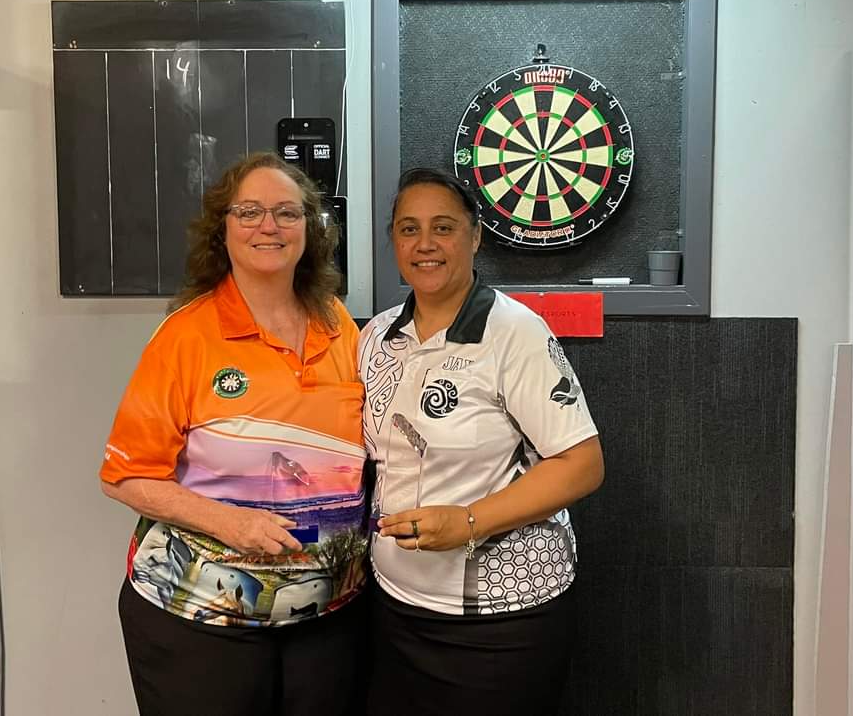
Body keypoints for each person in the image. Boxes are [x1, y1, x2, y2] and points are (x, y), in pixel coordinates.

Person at [100, 152, 368, 716]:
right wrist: (231, 522)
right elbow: (125, 476)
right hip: (202, 622)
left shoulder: (340, 326)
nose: (268, 226)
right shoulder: (186, 336)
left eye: (286, 213)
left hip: (326, 622)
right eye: (249, 211)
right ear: (222, 229)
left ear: (311, 229)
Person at [358, 167, 606, 716]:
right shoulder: (376, 336)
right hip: (396, 608)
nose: (425, 244)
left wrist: (468, 521)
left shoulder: (514, 331)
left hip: (500, 622)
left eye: (443, 228)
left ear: (474, 237)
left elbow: (582, 464)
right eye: (408, 229)